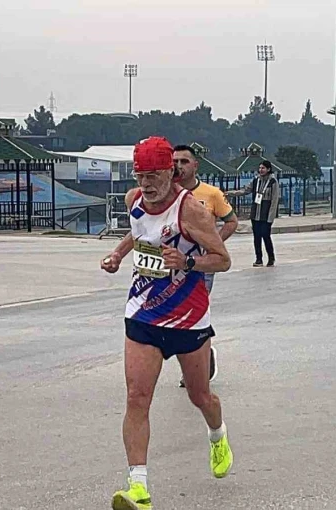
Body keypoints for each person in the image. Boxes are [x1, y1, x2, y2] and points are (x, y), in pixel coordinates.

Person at [101, 137, 234, 510]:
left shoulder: (191, 211)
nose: (146, 184)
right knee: (137, 397)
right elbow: (139, 230)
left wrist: (187, 263)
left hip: (189, 318)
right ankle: (138, 488)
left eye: (153, 175)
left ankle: (217, 435)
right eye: (140, 175)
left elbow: (222, 260)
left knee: (199, 396)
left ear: (170, 172)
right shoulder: (133, 201)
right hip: (143, 313)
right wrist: (117, 253)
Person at [172, 144, 239, 388]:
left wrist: (213, 245)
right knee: (178, 315)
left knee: (193, 312)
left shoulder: (211, 194)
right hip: (171, 266)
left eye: (184, 161)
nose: (179, 166)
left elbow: (231, 221)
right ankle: (198, 360)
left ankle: (198, 363)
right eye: (175, 161)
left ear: (195, 165)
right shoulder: (168, 193)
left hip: (201, 267)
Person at [225, 160, 280, 266]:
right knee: (256, 237)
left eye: (263, 168)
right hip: (255, 214)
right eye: (260, 168)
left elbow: (274, 200)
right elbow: (245, 191)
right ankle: (258, 259)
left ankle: (271, 258)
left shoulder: (273, 182)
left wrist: (271, 218)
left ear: (268, 169)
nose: (261, 170)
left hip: (266, 214)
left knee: (266, 236)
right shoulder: (256, 180)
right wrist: (230, 193)